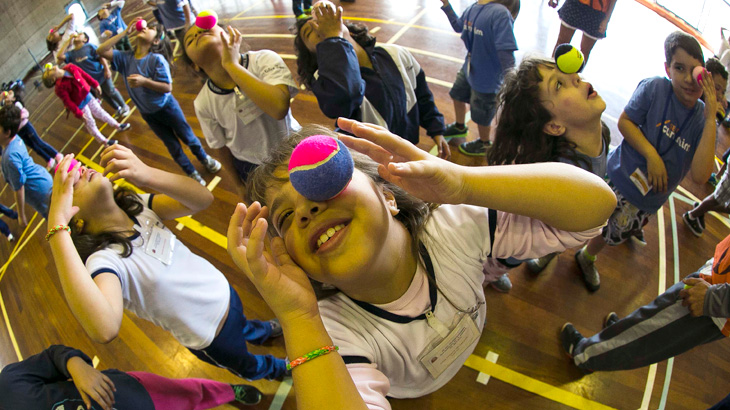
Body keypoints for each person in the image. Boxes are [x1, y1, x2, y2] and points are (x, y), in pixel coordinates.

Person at [234, 118, 615, 408]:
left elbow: (596, 206)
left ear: (388, 198)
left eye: (324, 184)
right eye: (285, 219)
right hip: (412, 387)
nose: (307, 209)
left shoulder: (455, 226)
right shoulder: (332, 331)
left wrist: (465, 183)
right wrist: (298, 320)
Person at [46, 146, 288, 381]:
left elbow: (202, 199)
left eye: (79, 168)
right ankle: (276, 369)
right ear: (74, 222)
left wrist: (147, 173)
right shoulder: (104, 259)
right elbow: (104, 329)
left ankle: (261, 332)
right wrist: (57, 227)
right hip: (209, 335)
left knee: (244, 325)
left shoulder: (137, 207)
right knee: (245, 363)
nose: (82, 170)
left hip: (222, 293)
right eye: (72, 184)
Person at [574, 31, 718, 292]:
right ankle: (552, 249)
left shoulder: (701, 119)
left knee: (610, 233)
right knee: (581, 215)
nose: (688, 79)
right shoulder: (655, 88)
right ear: (667, 69)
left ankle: (587, 256)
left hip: (645, 200)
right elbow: (625, 122)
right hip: (617, 175)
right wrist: (652, 156)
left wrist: (710, 119)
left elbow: (700, 176)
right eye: (679, 68)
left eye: (693, 71)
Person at [486, 57, 610, 283]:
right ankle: (490, 277)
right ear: (554, 126)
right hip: (508, 245)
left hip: (543, 240)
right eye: (559, 85)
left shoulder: (603, 134)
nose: (576, 77)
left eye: (571, 76)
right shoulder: (559, 178)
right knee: (495, 265)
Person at [294, 2, 451, 159]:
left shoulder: (396, 54)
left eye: (321, 21)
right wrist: (333, 38)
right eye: (309, 32)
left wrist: (437, 130)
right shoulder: (326, 80)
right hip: (374, 162)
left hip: (407, 148)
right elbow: (345, 96)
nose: (319, 26)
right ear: (312, 53)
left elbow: (422, 95)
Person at [560, 233, 730, 374]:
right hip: (715, 279)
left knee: (645, 338)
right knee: (648, 322)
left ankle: (585, 355)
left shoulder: (711, 299)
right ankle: (619, 335)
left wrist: (713, 299)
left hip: (710, 302)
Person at [97, 21, 221, 185]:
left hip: (167, 108)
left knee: (189, 138)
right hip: (148, 114)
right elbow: (101, 50)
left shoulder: (156, 59)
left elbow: (167, 87)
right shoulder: (125, 58)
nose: (145, 28)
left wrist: (144, 81)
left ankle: (205, 159)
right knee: (172, 146)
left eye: (151, 29)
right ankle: (191, 172)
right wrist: (125, 32)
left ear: (155, 41)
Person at [182, 22, 300, 190]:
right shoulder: (203, 103)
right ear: (194, 65)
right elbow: (219, 146)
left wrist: (231, 66)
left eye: (204, 29)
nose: (197, 34)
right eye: (189, 39)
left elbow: (278, 108)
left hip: (293, 147)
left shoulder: (263, 59)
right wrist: (238, 185)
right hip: (252, 166)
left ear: (229, 35)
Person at [0, 345, 263, 410]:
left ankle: (228, 392)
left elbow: (51, 356)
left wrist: (75, 364)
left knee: (186, 393)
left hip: (132, 393)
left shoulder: (8, 382)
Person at [439, 0, 519, 156]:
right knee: (457, 95)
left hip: (487, 77)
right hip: (469, 67)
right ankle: (460, 126)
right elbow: (458, 26)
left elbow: (506, 52)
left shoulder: (500, 13)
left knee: (482, 114)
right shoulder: (474, 7)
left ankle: (484, 143)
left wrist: (511, 82)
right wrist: (446, 5)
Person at [683, 58, 729, 237]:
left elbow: (702, 168)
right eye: (715, 88)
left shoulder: (710, 115)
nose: (719, 95)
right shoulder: (691, 106)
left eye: (722, 91)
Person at [42, 63, 131, 146]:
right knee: (90, 123)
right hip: (80, 105)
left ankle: (117, 126)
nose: (51, 68)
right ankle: (104, 141)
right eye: (49, 72)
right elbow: (68, 102)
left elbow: (83, 74)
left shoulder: (70, 67)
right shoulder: (59, 88)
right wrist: (78, 113)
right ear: (53, 79)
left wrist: (94, 84)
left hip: (88, 96)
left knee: (101, 112)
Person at [0, 105, 53, 223]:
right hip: (43, 179)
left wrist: (21, 215)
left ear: (7, 132)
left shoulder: (9, 157)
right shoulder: (15, 139)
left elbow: (19, 188)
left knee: (58, 220)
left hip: (39, 191)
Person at [59, 32, 131, 117]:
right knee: (104, 95)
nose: (77, 35)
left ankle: (124, 106)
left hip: (101, 74)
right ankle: (117, 108)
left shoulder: (89, 47)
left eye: (80, 34)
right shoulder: (71, 54)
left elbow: (100, 57)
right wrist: (68, 40)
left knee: (111, 91)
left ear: (85, 39)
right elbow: (60, 56)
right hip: (91, 81)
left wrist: (107, 69)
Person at [2, 88, 63, 170]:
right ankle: (49, 160)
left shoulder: (16, 105)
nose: (6, 100)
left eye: (7, 97)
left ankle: (57, 155)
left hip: (26, 127)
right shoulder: (7, 109)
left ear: (13, 98)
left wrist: (17, 119)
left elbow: (25, 113)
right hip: (19, 132)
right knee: (34, 147)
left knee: (39, 142)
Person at [548, 0, 617, 65]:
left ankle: (575, 76)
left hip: (597, 12)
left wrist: (606, 20)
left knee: (585, 52)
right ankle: (552, 72)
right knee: (561, 43)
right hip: (575, 4)